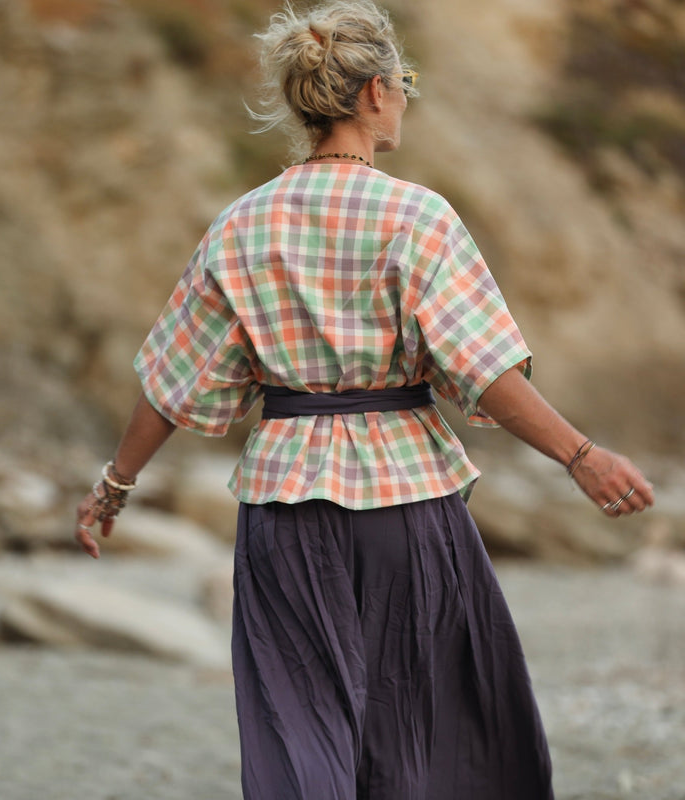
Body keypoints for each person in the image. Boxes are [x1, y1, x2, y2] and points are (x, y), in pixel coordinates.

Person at [74, 2, 654, 798]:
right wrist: (581, 457)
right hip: (408, 503)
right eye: (404, 84)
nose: (406, 99)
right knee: (427, 728)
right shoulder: (419, 217)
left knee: (297, 731)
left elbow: (172, 382)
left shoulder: (240, 225)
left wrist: (115, 486)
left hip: (283, 508)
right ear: (376, 93)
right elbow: (485, 371)